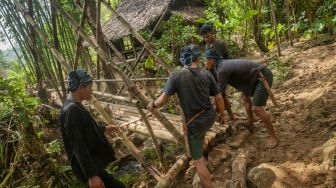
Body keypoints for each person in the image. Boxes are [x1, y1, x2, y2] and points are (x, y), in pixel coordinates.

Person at [147, 45, 226, 188]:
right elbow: (219, 98)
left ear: (183, 59)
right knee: (201, 134)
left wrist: (152, 104)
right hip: (210, 116)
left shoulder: (177, 75)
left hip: (195, 123)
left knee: (197, 161)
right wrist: (222, 115)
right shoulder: (207, 73)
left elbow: (162, 100)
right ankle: (202, 146)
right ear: (198, 57)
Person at [59, 69, 125, 188]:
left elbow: (85, 130)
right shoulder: (71, 110)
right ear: (81, 88)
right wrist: (92, 176)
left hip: (91, 165)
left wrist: (104, 129)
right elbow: (78, 145)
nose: (92, 91)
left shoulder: (74, 106)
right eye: (90, 87)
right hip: (87, 167)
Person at [204, 49, 279, 148]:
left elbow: (219, 95)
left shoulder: (222, 69)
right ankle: (250, 123)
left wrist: (217, 113)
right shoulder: (220, 66)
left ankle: (273, 136)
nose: (205, 63)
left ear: (212, 60)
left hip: (262, 76)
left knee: (257, 108)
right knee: (246, 99)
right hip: (252, 78)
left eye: (206, 60)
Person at [200, 24, 235, 120]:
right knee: (221, 95)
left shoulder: (220, 43)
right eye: (204, 37)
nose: (206, 39)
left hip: (222, 72)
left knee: (220, 94)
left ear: (212, 33)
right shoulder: (207, 46)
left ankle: (223, 115)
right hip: (213, 74)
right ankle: (227, 116)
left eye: (207, 36)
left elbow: (228, 57)